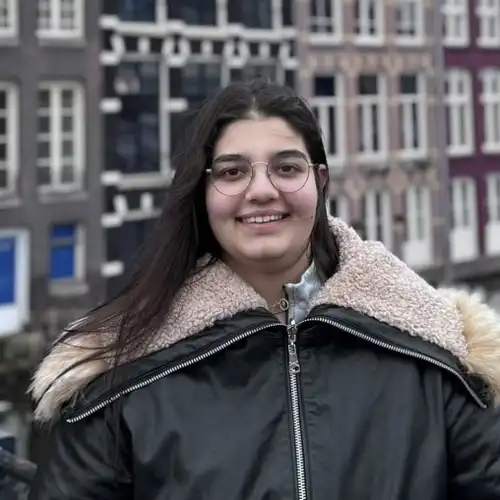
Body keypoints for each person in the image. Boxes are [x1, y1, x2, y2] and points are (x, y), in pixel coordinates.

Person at [28, 80, 500, 500]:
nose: (261, 190)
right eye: (232, 172)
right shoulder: (119, 375)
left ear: (320, 182)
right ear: (202, 193)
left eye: (287, 168)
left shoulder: (437, 351)